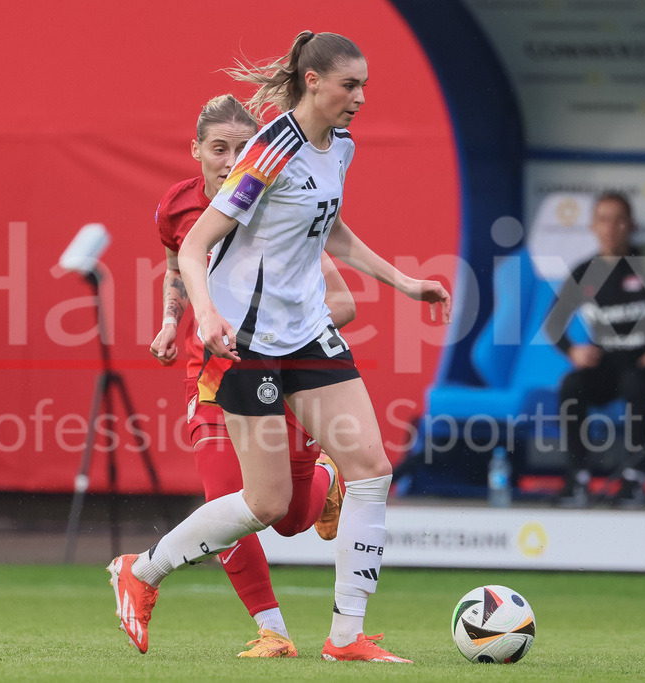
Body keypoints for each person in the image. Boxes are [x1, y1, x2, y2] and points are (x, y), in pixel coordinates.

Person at [109, 31, 450, 663]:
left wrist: (405, 282)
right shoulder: (270, 150)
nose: (361, 98)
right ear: (314, 82)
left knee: (371, 471)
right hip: (248, 340)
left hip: (308, 333)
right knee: (267, 506)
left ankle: (346, 637)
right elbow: (192, 246)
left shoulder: (339, 146)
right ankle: (143, 570)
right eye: (351, 85)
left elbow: (333, 231)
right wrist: (205, 315)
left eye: (365, 86)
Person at [148, 94, 355, 657]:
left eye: (243, 147)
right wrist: (172, 322)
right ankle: (274, 632)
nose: (232, 158)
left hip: (278, 377)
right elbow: (176, 264)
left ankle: (327, 483)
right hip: (212, 379)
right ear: (196, 151)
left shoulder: (282, 205)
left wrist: (273, 329)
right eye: (219, 148)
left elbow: (343, 303)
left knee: (284, 519)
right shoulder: (178, 207)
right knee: (224, 501)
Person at [545, 192, 645, 508]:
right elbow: (553, 325)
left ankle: (634, 479)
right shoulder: (584, 272)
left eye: (619, 219)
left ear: (631, 225)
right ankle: (577, 478)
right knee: (572, 385)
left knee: (637, 383)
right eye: (604, 219)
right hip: (608, 364)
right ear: (593, 226)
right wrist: (574, 351)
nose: (611, 227)